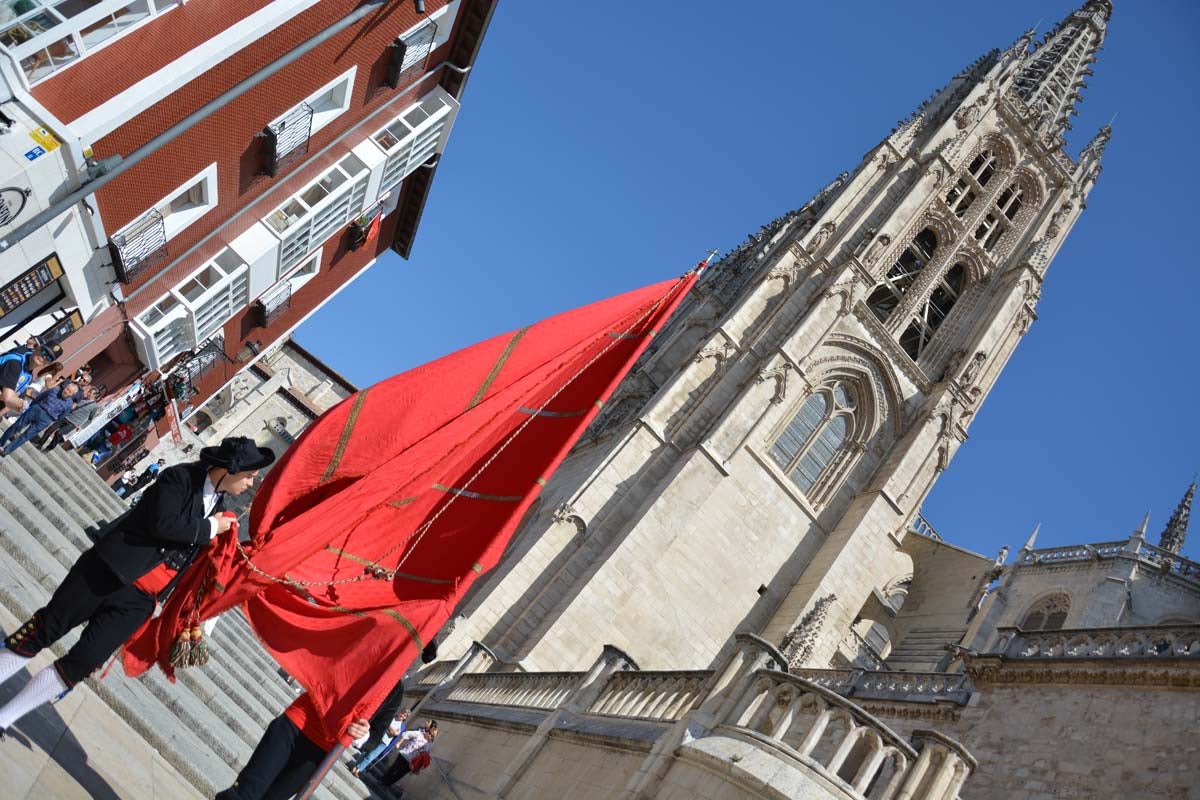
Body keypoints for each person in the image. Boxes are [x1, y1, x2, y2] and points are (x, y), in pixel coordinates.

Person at [0, 436, 275, 736]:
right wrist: (210, 528)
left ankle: (5, 717)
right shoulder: (180, 478)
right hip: (107, 571)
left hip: (141, 601)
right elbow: (163, 523)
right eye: (249, 476)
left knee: (85, 661)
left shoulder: (219, 508)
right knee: (45, 629)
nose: (250, 484)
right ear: (230, 468)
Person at [222, 638, 437, 800]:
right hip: (295, 724)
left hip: (319, 752)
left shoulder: (394, 691)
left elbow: (375, 737)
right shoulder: (357, 650)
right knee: (245, 792)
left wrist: (361, 734)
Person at [0, 380, 79, 455]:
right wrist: (33, 406)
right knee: (16, 426)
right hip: (37, 409)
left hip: (46, 419)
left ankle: (7, 450)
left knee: (26, 435)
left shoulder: (69, 404)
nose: (66, 391)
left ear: (72, 395)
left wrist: (51, 419)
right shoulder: (54, 390)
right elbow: (41, 396)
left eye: (69, 391)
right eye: (67, 389)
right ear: (65, 387)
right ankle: (1, 442)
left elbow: (62, 416)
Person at [349, 708, 409, 777]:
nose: (402, 715)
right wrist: (391, 729)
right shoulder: (391, 716)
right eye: (402, 713)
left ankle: (358, 770)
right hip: (377, 737)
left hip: (384, 743)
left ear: (405, 718)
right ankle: (355, 767)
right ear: (400, 712)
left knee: (371, 756)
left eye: (405, 716)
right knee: (365, 752)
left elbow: (395, 733)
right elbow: (387, 726)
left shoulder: (402, 726)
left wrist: (388, 725)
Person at [379, 719, 438, 788]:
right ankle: (382, 781)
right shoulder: (419, 734)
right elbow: (406, 733)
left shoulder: (428, 745)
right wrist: (399, 743)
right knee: (393, 768)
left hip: (411, 763)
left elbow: (423, 757)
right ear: (428, 732)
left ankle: (387, 785)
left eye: (432, 736)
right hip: (404, 755)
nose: (430, 736)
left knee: (399, 775)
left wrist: (417, 768)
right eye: (430, 733)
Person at [0, 345, 53, 414]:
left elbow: (14, 400)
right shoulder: (15, 361)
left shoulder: (29, 377)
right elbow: (8, 398)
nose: (44, 357)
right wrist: (16, 402)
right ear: (37, 348)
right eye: (44, 352)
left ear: (48, 363)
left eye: (49, 358)